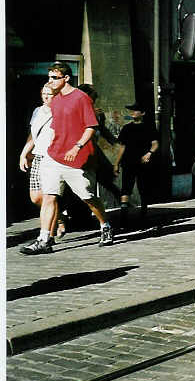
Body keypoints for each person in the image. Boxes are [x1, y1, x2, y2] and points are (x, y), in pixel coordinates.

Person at [25, 62, 114, 253]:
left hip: (76, 158)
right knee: (49, 197)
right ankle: (44, 239)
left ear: (66, 78)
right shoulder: (55, 101)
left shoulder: (81, 98)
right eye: (49, 77)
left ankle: (105, 225)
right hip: (53, 156)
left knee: (88, 197)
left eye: (54, 78)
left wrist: (77, 146)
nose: (50, 81)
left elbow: (91, 126)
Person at [18, 83, 67, 251]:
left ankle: (47, 238)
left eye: (50, 94)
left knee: (48, 197)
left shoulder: (61, 111)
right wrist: (24, 153)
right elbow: (33, 134)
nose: (46, 97)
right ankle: (59, 217)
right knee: (36, 197)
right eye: (43, 93)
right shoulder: (38, 111)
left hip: (53, 157)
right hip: (39, 156)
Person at [113, 102, 159, 230]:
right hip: (128, 162)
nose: (132, 112)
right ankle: (123, 216)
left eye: (136, 110)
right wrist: (116, 163)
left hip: (143, 163)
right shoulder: (126, 128)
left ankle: (144, 213)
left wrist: (149, 153)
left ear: (142, 113)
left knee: (143, 187)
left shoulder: (149, 127)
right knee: (126, 187)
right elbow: (122, 147)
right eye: (131, 110)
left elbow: (155, 144)